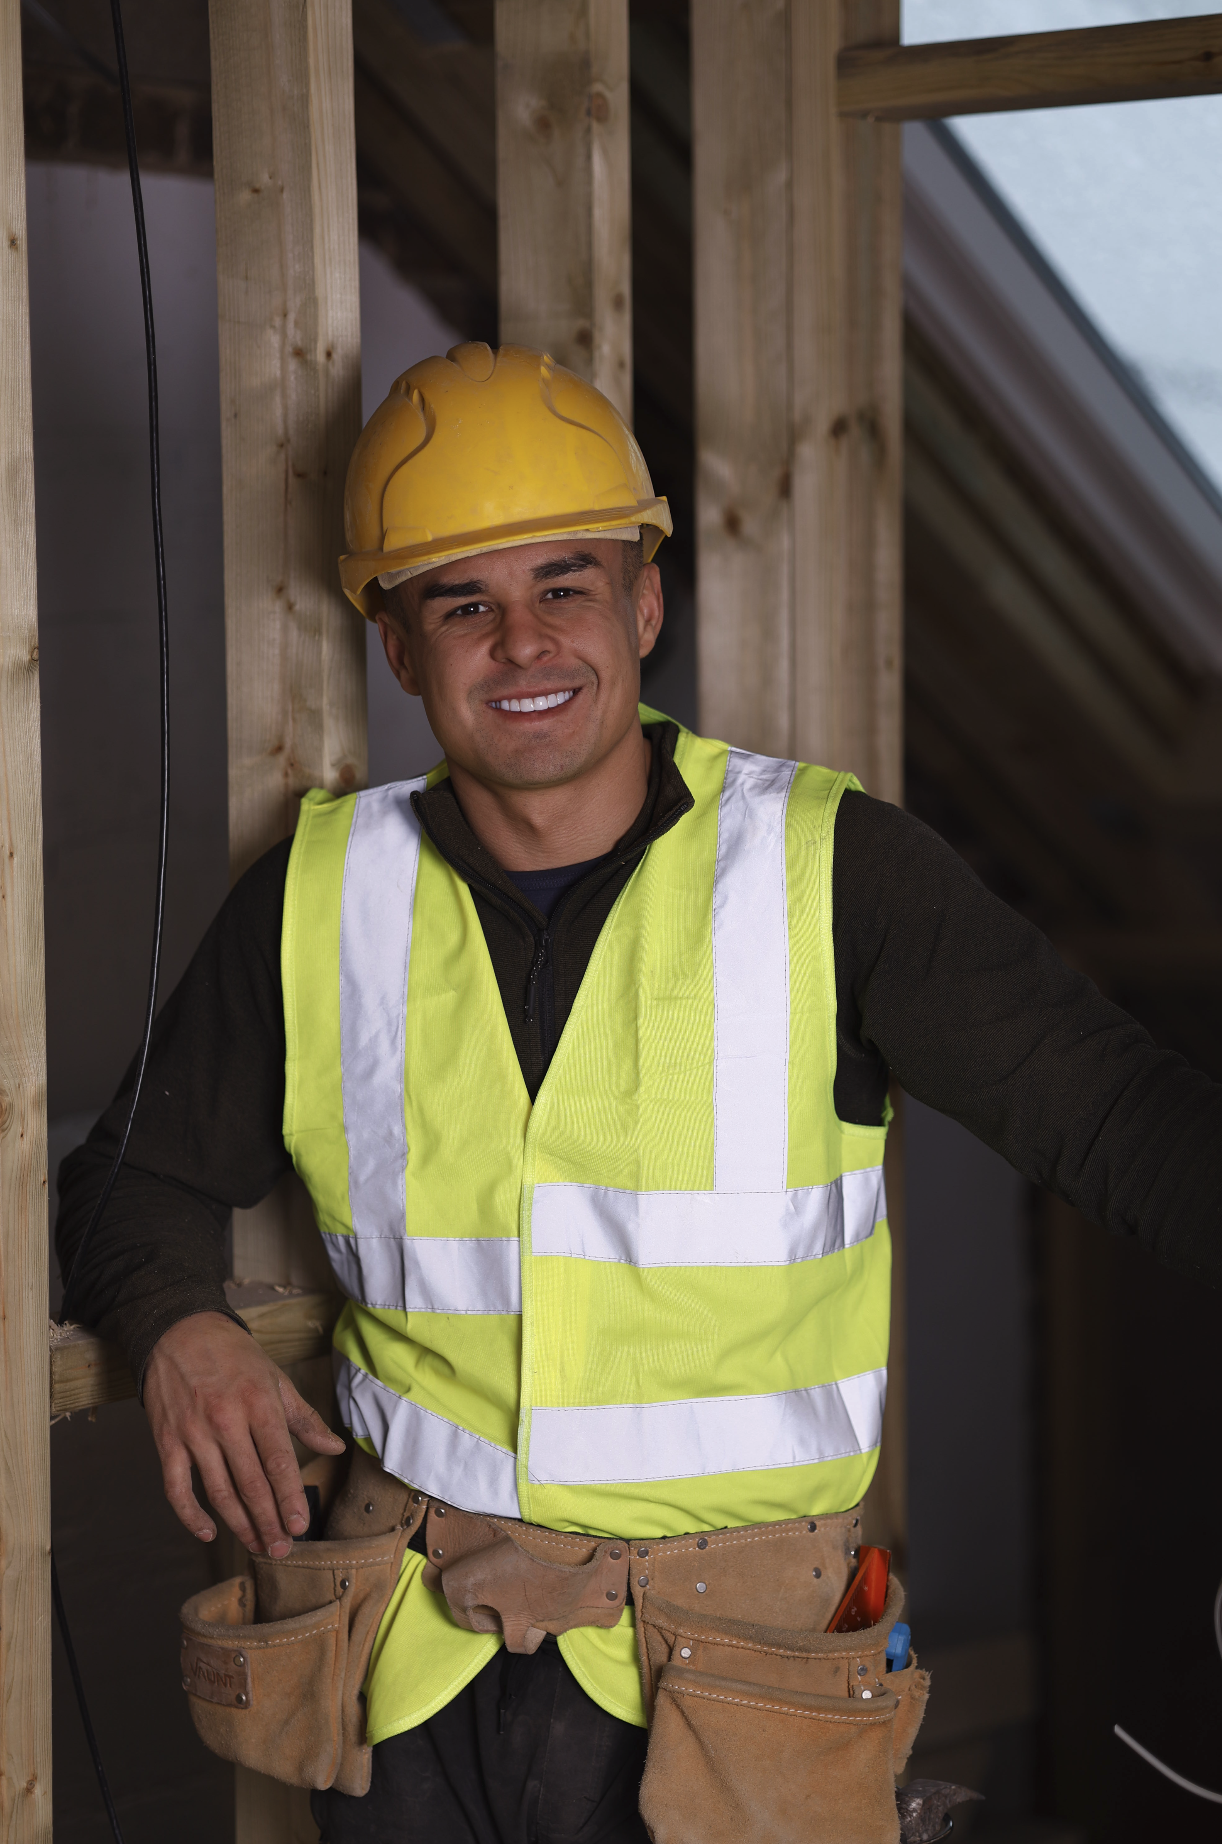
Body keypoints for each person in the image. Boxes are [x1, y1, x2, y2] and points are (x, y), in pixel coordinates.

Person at [57, 343, 1222, 1844]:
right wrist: (179, 1327)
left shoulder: (828, 873)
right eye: (459, 602)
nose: (521, 639)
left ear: (644, 603)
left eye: (565, 584)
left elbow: (1124, 1123)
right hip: (411, 1671)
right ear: (398, 649)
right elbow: (129, 1173)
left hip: (727, 1679)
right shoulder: (320, 895)